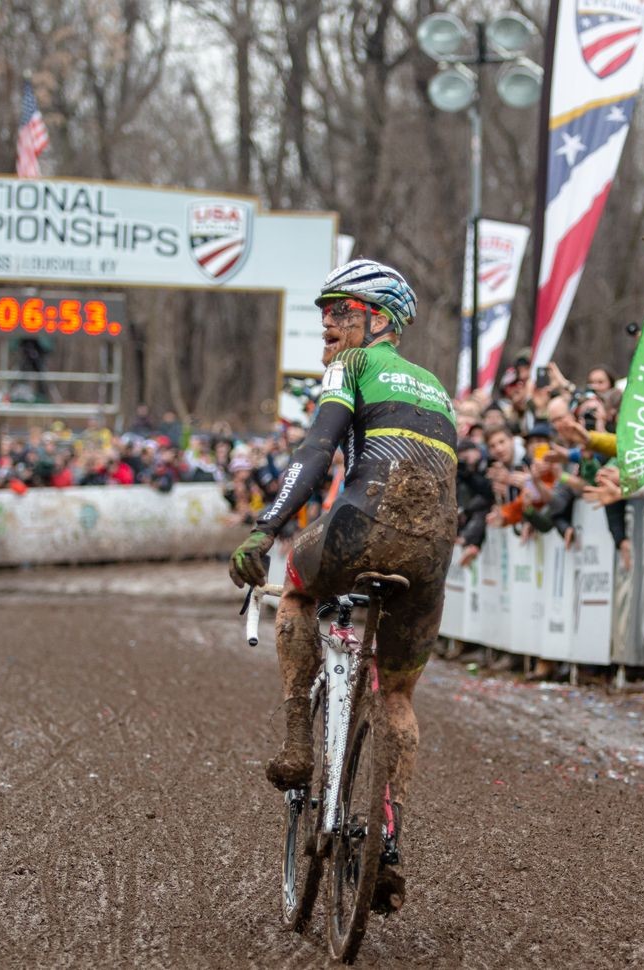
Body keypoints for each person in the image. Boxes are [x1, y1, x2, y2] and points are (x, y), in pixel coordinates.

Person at [227, 259, 456, 913]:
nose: (326, 322)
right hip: (433, 553)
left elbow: (317, 452)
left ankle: (299, 735)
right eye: (323, 309)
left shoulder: (352, 368)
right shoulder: (438, 387)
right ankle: (387, 846)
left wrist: (264, 532)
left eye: (341, 310)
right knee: (400, 697)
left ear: (377, 320)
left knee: (298, 589)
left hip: (363, 526)